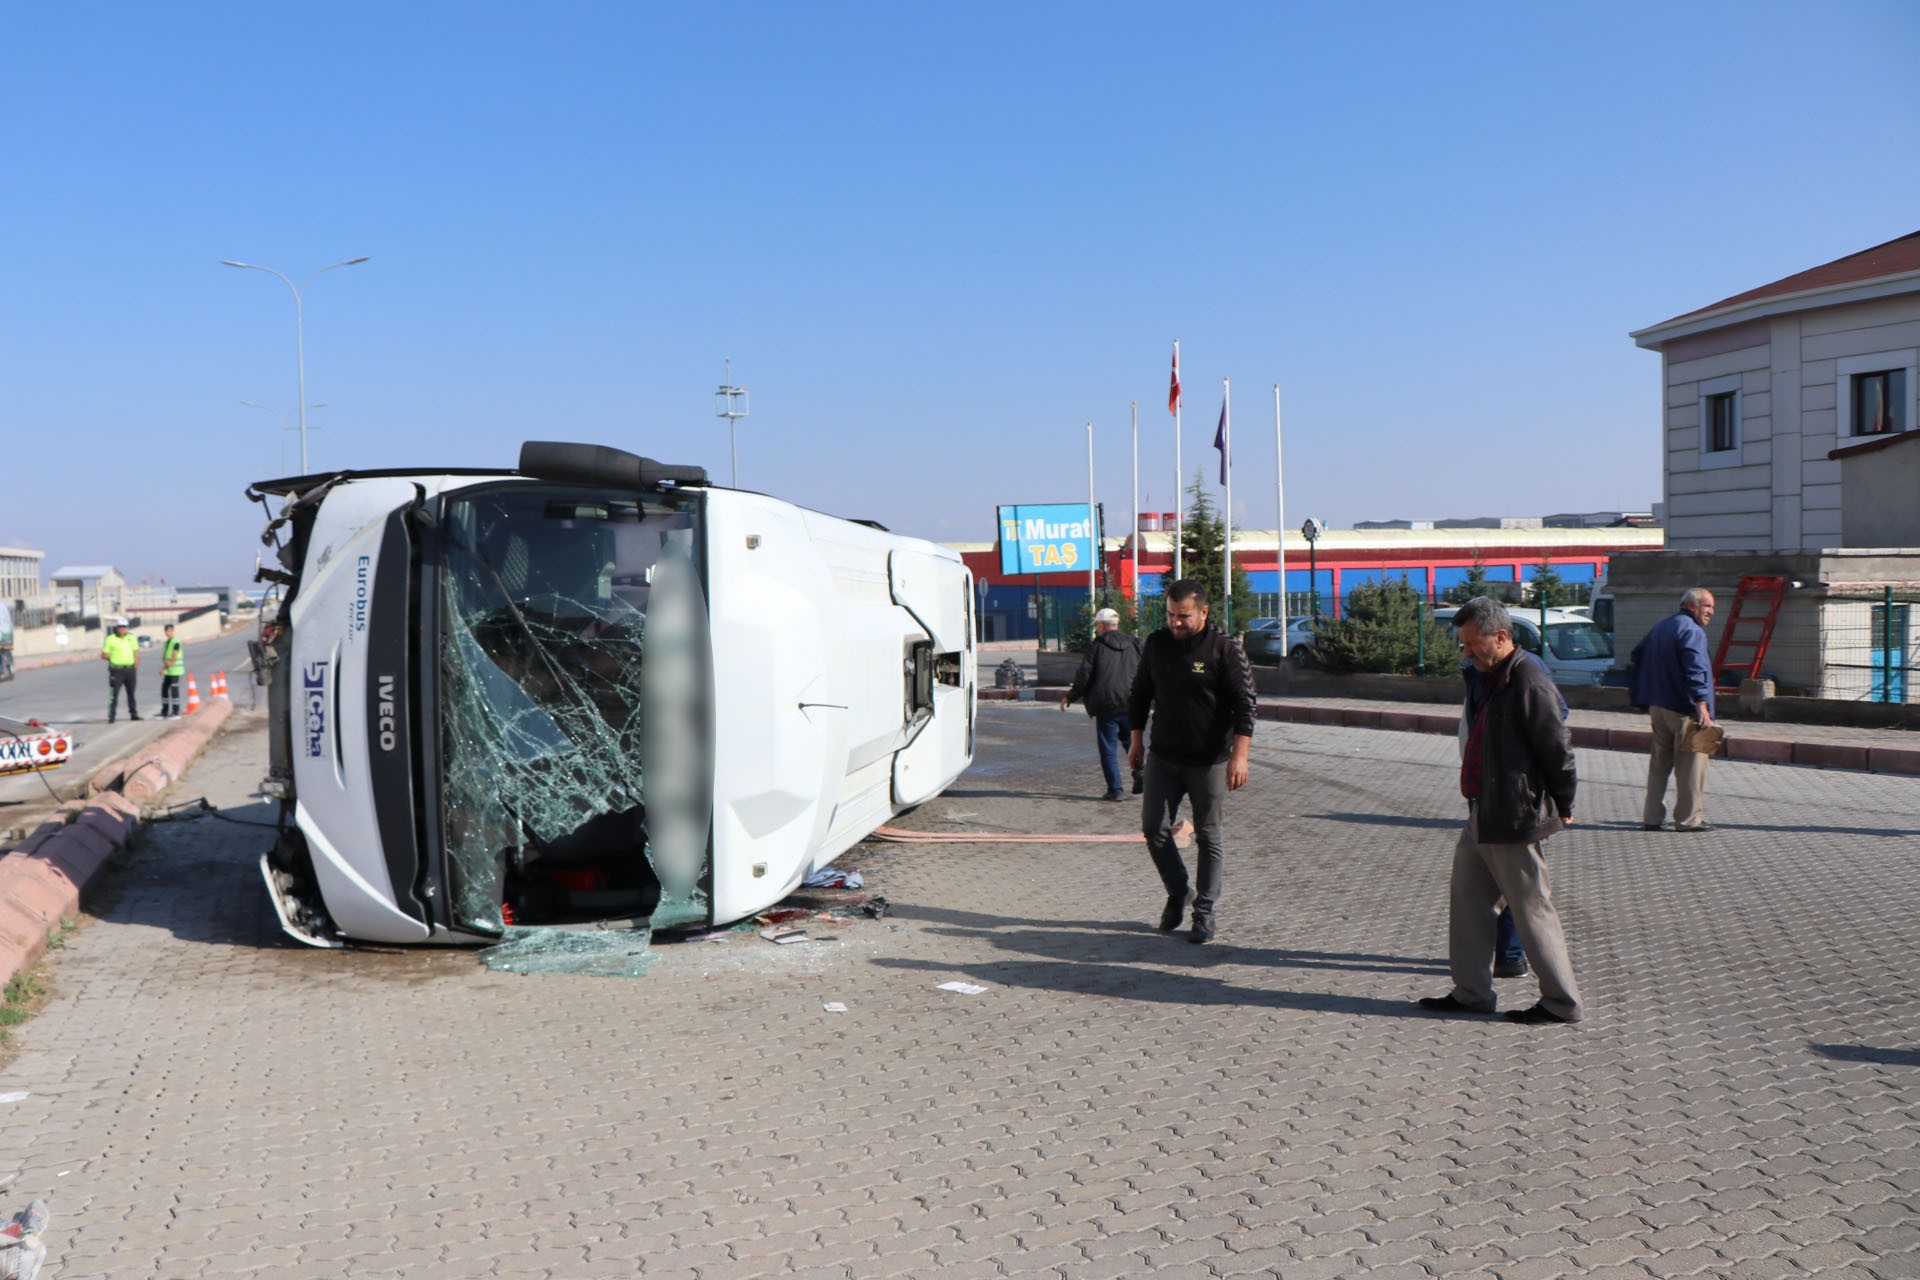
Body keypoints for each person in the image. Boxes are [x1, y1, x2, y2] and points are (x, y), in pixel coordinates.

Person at [1420, 596, 1583, 1025]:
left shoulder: (1529, 678)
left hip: (1513, 815)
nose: (1467, 652)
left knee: (1531, 907)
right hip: (1481, 811)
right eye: (1463, 645)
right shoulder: (1484, 675)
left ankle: (1561, 1003)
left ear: (1502, 637)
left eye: (1474, 644)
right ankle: (1471, 993)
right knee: (1468, 901)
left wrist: (1564, 803)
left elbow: (1557, 748)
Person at [1125, 579, 1256, 944]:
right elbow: (1139, 695)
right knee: (1153, 827)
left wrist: (1240, 756)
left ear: (1203, 612)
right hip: (1164, 756)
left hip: (1210, 761)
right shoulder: (1156, 644)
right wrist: (1137, 741)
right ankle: (1179, 890)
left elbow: (1246, 704)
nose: (1175, 623)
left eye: (1183, 616)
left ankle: (1205, 913)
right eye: (1170, 615)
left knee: (1209, 835)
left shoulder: (1224, 649)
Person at [1630, 587, 1717, 832]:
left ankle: (1652, 817)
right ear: (1692, 605)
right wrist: (1702, 704)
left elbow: (1637, 654)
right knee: (1691, 764)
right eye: (1707, 606)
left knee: (1660, 763)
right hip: (1684, 708)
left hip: (1658, 706)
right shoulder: (1692, 631)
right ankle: (1689, 820)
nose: (1711, 612)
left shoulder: (1661, 626)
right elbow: (1696, 667)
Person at [1059, 607, 1143, 801]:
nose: (1097, 629)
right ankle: (1140, 773)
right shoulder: (1135, 643)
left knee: (1108, 749)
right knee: (1132, 742)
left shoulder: (1097, 646)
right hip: (1131, 702)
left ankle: (1115, 790)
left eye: (1097, 625)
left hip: (1107, 705)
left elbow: (1084, 676)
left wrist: (1070, 696)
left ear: (1103, 626)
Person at [101, 617, 142, 723]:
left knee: (131, 693)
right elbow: (104, 654)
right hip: (117, 670)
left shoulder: (131, 638)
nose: (123, 629)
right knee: (114, 694)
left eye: (124, 627)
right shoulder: (111, 638)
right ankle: (112, 716)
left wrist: (135, 665)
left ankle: (134, 714)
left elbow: (136, 652)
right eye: (120, 627)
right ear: (117, 628)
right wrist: (113, 658)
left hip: (130, 669)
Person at [158, 624, 185, 718]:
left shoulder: (176, 642)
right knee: (164, 690)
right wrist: (165, 665)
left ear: (173, 631)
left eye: (170, 631)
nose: (168, 632)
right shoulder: (166, 643)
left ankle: (176, 711)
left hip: (175, 670)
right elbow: (166, 657)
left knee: (174, 691)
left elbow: (174, 657)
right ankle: (164, 711)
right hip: (169, 671)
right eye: (166, 631)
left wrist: (164, 669)